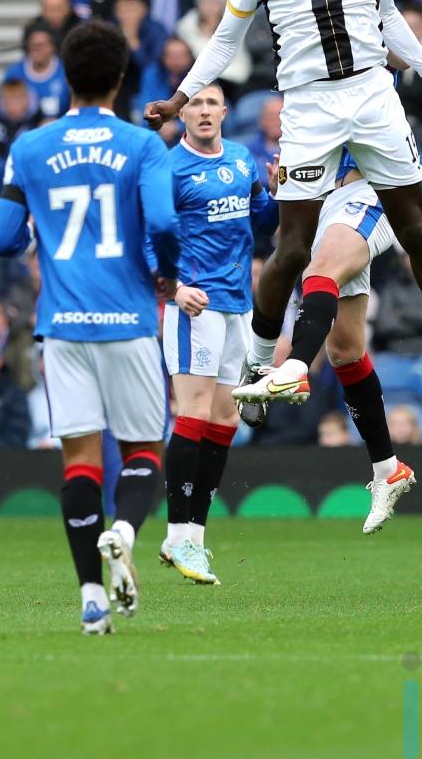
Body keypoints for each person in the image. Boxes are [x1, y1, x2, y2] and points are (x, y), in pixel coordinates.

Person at [145, 0, 422, 416]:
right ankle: (256, 365)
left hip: (373, 94)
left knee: (416, 232)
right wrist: (181, 98)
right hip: (308, 105)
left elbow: (389, 16)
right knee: (292, 247)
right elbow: (225, 42)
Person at [0, 20, 180, 635]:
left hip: (63, 328)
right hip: (127, 321)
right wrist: (168, 277)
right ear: (121, 78)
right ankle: (122, 532)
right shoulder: (142, 145)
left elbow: (0, 238)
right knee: (144, 452)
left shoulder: (29, 149)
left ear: (65, 76)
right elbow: (164, 225)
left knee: (79, 462)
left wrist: (30, 236)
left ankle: (92, 601)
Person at [238, 147, 417, 533]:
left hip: (367, 192)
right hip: (326, 210)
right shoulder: (302, 113)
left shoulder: (357, 90)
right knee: (345, 350)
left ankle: (291, 366)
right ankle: (388, 469)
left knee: (317, 273)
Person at [160, 83, 278, 584]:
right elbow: (148, 237)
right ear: (182, 113)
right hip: (195, 305)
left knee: (226, 419)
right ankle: (174, 533)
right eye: (195, 103)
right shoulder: (169, 168)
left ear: (225, 112)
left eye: (212, 103)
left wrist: (275, 191)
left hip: (237, 307)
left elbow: (263, 224)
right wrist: (174, 288)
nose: (203, 111)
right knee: (194, 412)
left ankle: (196, 540)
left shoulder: (241, 157)